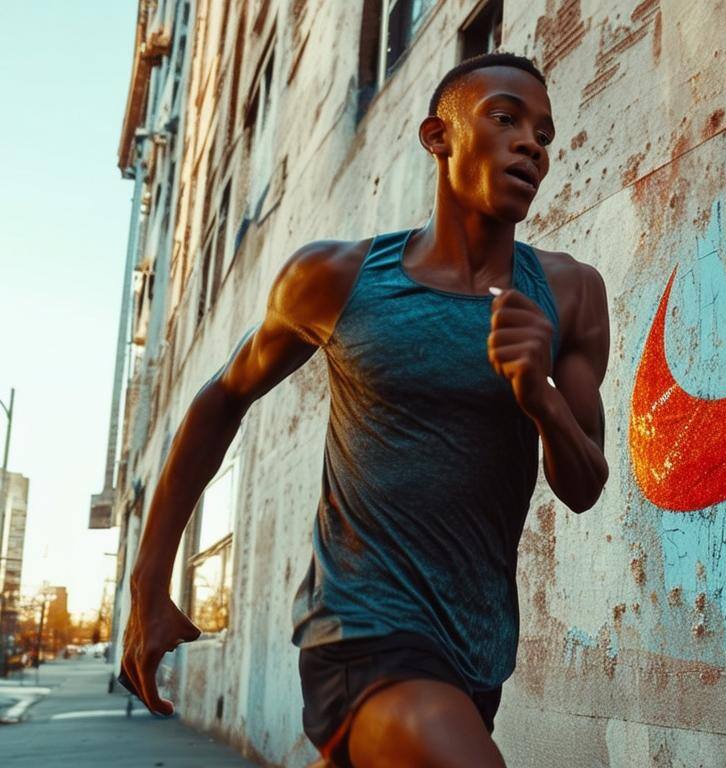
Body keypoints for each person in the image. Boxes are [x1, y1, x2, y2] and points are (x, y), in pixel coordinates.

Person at [118, 51, 610, 768]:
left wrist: (540, 398)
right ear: (437, 136)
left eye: (544, 133)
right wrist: (148, 583)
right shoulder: (336, 278)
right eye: (505, 119)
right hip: (358, 630)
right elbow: (224, 397)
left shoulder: (567, 294)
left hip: (475, 647)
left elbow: (585, 485)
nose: (532, 143)